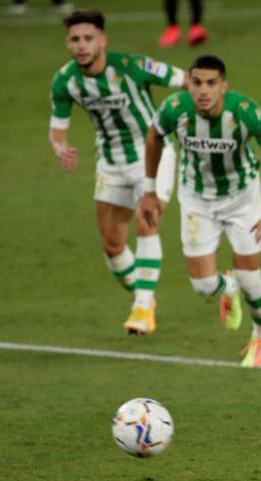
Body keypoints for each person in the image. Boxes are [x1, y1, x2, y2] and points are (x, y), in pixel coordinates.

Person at [139, 55, 261, 368]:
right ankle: (229, 287)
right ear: (189, 83)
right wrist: (149, 191)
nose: (203, 90)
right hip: (197, 199)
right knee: (202, 286)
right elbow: (154, 137)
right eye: (196, 82)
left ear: (223, 86)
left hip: (242, 200)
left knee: (252, 278)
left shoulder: (244, 112)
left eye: (211, 83)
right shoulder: (175, 109)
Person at [49, 10, 186, 335]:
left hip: (152, 154)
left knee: (146, 219)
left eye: (88, 38)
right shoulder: (65, 80)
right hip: (110, 162)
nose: (82, 46)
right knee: (112, 246)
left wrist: (188, 119)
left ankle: (141, 307)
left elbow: (186, 80)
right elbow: (57, 127)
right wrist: (61, 148)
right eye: (75, 39)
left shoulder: (133, 66)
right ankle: (145, 295)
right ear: (67, 43)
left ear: (103, 40)